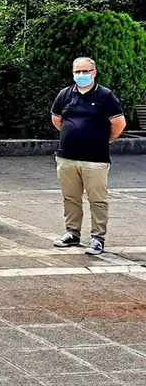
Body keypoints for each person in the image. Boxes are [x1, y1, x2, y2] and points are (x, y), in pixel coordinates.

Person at [51, 57, 125, 256]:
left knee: (97, 200)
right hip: (67, 157)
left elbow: (119, 124)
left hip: (96, 159)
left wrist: (102, 140)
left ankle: (97, 238)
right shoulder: (65, 95)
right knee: (71, 198)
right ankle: (72, 233)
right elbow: (57, 120)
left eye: (85, 71)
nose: (81, 75)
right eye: (77, 72)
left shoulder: (105, 96)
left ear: (94, 72)